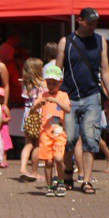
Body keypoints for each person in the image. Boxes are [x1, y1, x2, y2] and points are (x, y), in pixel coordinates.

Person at [56, 8, 109, 194]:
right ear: (80, 21)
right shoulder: (66, 42)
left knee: (91, 138)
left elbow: (105, 69)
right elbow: (58, 70)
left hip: (92, 95)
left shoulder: (100, 41)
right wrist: (54, 96)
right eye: (90, 22)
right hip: (69, 96)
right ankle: (68, 174)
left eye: (95, 23)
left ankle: (86, 180)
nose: (93, 26)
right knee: (70, 139)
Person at [29, 65, 72, 197]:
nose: (51, 86)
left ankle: (60, 181)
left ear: (60, 83)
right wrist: (38, 105)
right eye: (49, 83)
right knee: (48, 161)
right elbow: (32, 111)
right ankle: (49, 186)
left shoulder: (63, 95)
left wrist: (57, 101)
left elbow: (68, 109)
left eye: (54, 83)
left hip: (59, 133)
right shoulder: (43, 95)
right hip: (45, 134)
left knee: (59, 158)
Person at [19, 58, 47, 182]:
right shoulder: (43, 84)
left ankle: (23, 168)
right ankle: (34, 172)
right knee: (37, 144)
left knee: (28, 143)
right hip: (38, 114)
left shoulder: (25, 83)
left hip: (27, 114)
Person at [0, 87, 12, 166]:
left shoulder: (4, 107)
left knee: (4, 144)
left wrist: (4, 120)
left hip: (3, 128)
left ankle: (4, 159)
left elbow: (9, 117)